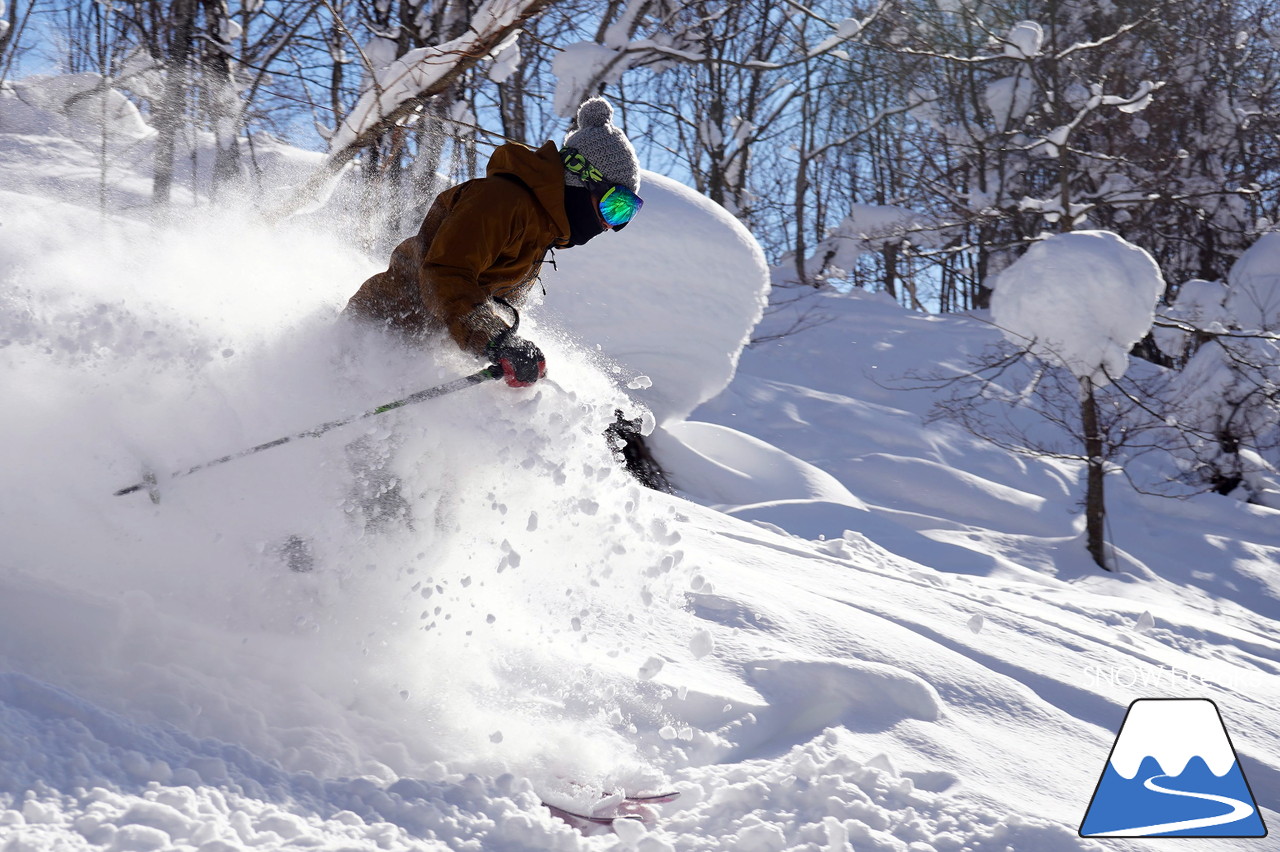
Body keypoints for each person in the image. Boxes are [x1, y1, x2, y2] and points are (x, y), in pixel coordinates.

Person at [344, 96, 644, 387]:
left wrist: (513, 356)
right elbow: (445, 273)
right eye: (615, 205)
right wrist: (497, 341)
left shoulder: (540, 232)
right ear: (581, 178)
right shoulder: (501, 201)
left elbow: (485, 307)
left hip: (412, 353)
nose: (610, 225)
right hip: (378, 336)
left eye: (626, 213)